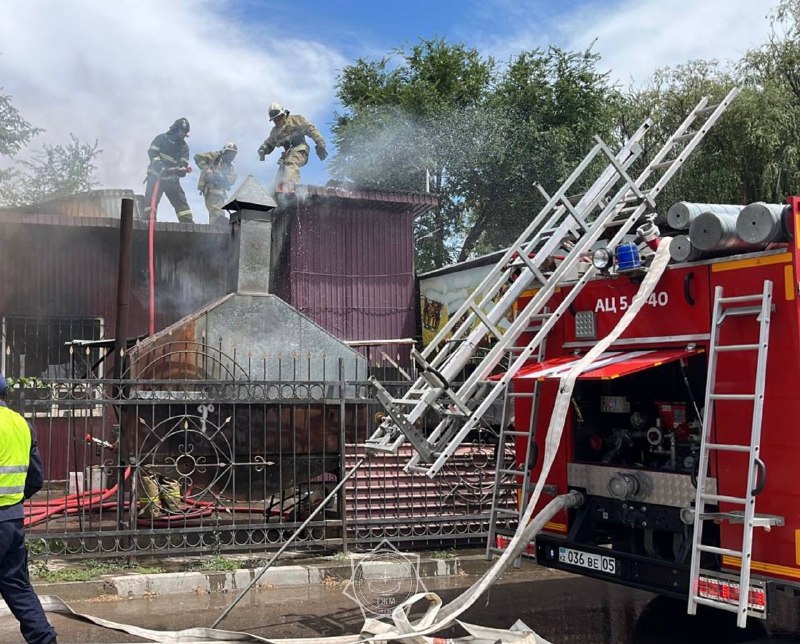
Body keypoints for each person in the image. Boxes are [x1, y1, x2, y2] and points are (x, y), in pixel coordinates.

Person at [0, 374, 57, 644]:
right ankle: (46, 640)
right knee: (17, 587)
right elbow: (35, 478)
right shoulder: (21, 423)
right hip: (12, 521)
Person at [257, 103, 327, 188]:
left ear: (283, 114)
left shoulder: (296, 120)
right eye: (274, 120)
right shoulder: (275, 132)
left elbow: (311, 129)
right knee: (280, 176)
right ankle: (277, 194)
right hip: (287, 155)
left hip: (300, 150)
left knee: (291, 164)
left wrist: (320, 144)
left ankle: (291, 188)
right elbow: (270, 143)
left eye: (278, 118)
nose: (276, 121)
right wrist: (263, 150)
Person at [143, 117, 194, 223]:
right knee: (150, 205)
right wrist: (160, 166)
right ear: (175, 128)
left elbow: (183, 164)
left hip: (172, 180)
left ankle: (188, 227)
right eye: (181, 130)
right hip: (156, 177)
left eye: (184, 132)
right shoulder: (161, 139)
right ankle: (148, 225)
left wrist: (181, 170)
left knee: (183, 207)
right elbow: (152, 153)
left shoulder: (184, 147)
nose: (182, 134)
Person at [194, 142, 238, 225]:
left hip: (221, 194)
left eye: (233, 154)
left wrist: (222, 178)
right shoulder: (215, 157)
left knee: (217, 213)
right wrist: (207, 169)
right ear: (225, 151)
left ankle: (214, 231)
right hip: (211, 189)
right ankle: (217, 231)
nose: (231, 156)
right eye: (229, 153)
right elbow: (198, 157)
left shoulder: (230, 168)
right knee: (217, 213)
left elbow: (232, 179)